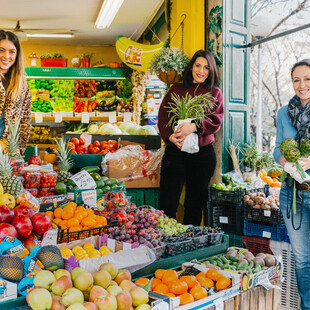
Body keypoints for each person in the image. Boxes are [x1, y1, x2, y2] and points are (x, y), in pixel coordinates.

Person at [157, 49, 224, 226]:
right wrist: (169, 136)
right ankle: (165, 242)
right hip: (175, 152)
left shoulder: (215, 92)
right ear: (191, 67)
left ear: (211, 71)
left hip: (202, 155)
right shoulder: (176, 89)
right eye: (198, 65)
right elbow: (163, 116)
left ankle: (188, 244)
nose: (201, 71)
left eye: (206, 68)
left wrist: (193, 126)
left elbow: (216, 120)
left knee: (194, 205)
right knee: (167, 202)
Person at [274, 59, 310, 310]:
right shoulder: (283, 113)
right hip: (291, 194)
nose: (302, 85)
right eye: (296, 79)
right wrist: (281, 157)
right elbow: (276, 148)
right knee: (302, 259)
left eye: (307, 79)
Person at [0, 30, 31, 154]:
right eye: (1, 50)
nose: (6, 56)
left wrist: (20, 149)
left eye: (12, 51)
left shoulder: (22, 85)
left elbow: (25, 121)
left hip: (8, 151)